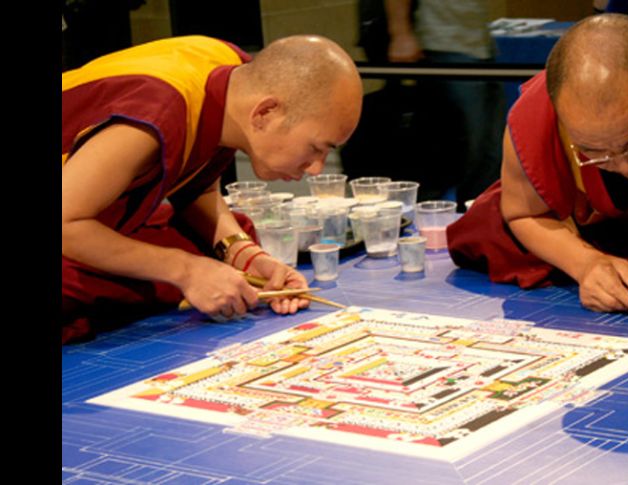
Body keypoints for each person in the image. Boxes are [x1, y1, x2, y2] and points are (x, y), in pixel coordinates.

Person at [62, 35, 363, 343]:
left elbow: (197, 189)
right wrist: (186, 271)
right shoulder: (155, 114)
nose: (316, 168)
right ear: (264, 113)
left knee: (233, 236)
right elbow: (65, 223)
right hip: (70, 220)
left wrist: (245, 255)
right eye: (315, 148)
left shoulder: (232, 76)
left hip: (89, 211)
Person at [446, 14, 628, 332]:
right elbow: (523, 213)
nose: (625, 166)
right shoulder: (539, 111)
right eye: (593, 151)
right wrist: (585, 263)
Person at [383, 0, 507, 204]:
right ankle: (438, 214)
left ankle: (477, 216)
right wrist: (400, 33)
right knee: (463, 148)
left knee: (491, 149)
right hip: (444, 45)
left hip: (481, 46)